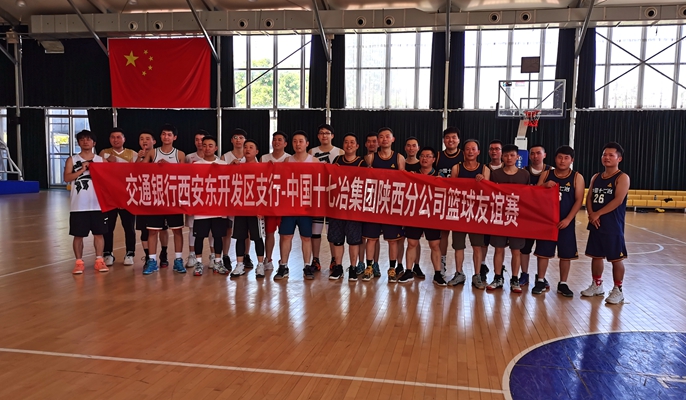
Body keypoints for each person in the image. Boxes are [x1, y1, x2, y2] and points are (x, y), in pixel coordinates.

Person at [581, 142, 630, 304]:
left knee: (616, 258)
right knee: (596, 256)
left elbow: (618, 200)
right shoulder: (596, 177)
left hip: (613, 224)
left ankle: (618, 289)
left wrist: (598, 213)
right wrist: (591, 214)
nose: (606, 157)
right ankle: (597, 285)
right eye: (604, 155)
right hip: (596, 222)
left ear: (619, 158)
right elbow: (589, 197)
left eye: (611, 155)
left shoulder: (622, 177)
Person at [533, 145, 585, 296]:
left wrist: (568, 219)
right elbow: (535, 193)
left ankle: (563, 283)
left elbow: (579, 200)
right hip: (547, 221)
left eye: (566, 158)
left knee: (566, 254)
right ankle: (540, 280)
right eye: (560, 157)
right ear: (555, 158)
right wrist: (544, 185)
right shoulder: (546, 174)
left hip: (565, 222)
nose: (562, 161)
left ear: (571, 160)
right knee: (543, 252)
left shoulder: (577, 177)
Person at [141, 124, 186, 275]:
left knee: (177, 230)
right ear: (160, 136)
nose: (166, 137)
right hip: (156, 198)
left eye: (169, 134)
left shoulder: (180, 154)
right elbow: (140, 171)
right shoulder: (153, 152)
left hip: (173, 198)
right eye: (164, 134)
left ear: (175, 137)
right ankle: (152, 261)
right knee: (153, 231)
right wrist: (142, 157)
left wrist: (169, 167)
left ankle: (178, 260)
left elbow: (184, 175)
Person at [274, 131, 320, 281]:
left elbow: (319, 183)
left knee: (306, 237)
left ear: (307, 143)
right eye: (295, 141)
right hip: (290, 205)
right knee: (286, 236)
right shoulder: (287, 160)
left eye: (301, 141)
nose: (298, 144)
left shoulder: (314, 161)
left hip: (306, 206)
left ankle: (307, 266)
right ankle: (283, 265)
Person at [363, 127, 406, 283]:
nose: (384, 139)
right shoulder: (370, 158)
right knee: (371, 239)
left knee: (392, 240)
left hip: (391, 206)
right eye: (381, 137)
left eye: (387, 136)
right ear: (378, 141)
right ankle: (369, 267)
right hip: (374, 205)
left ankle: (392, 269)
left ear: (393, 139)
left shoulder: (399, 158)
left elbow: (403, 181)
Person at [485, 144, 530, 293]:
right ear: (502, 157)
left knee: (516, 251)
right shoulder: (496, 174)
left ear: (518, 157)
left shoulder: (524, 175)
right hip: (500, 217)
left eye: (512, 155)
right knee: (499, 249)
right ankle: (498, 277)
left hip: (517, 218)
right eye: (506, 155)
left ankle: (515, 278)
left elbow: (529, 196)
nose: (509, 158)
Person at [64, 129, 108, 274]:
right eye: (82, 139)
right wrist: (82, 170)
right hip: (78, 205)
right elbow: (67, 178)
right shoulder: (72, 160)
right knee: (78, 235)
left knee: (99, 234)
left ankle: (99, 260)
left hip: (97, 204)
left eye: (88, 139)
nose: (85, 142)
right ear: (78, 142)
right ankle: (79, 262)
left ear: (94, 143)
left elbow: (108, 180)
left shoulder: (101, 160)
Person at [401, 147, 447, 286]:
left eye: (428, 156)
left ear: (433, 159)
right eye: (422, 156)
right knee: (412, 243)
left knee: (434, 245)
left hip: (432, 215)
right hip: (415, 214)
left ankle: (438, 274)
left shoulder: (440, 176)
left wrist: (442, 183)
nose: (424, 158)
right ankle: (408, 271)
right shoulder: (412, 174)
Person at [448, 139, 490, 289]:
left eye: (473, 149)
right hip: (459, 212)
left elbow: (488, 192)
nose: (470, 151)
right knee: (458, 246)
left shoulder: (484, 169)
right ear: (463, 151)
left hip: (477, 214)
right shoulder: (456, 168)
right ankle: (459, 273)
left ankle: (477, 275)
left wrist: (483, 182)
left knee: (477, 246)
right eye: (467, 149)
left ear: (478, 152)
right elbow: (451, 188)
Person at [328, 133, 368, 281]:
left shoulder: (362, 163)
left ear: (357, 146)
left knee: (353, 240)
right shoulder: (337, 160)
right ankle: (338, 267)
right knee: (337, 240)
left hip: (353, 208)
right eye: (346, 142)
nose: (349, 145)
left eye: (352, 142)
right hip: (337, 208)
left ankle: (353, 267)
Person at [190, 136, 229, 276]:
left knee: (218, 236)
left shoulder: (223, 165)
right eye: (205, 145)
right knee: (200, 236)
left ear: (216, 148)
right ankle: (198, 263)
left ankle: (218, 262)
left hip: (218, 207)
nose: (207, 148)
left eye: (210, 145)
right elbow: (192, 185)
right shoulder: (196, 165)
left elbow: (228, 184)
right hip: (201, 207)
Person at [98, 127, 137, 266]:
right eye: (113, 137)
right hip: (110, 196)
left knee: (129, 227)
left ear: (124, 139)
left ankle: (130, 253)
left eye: (118, 137)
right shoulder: (104, 153)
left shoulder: (133, 153)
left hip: (127, 196)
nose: (115, 140)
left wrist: (117, 163)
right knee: (108, 227)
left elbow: (134, 172)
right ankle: (108, 253)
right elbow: (101, 172)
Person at [309, 124, 344, 272]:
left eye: (327, 133)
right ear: (318, 136)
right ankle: (315, 259)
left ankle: (334, 259)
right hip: (317, 195)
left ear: (332, 136)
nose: (324, 135)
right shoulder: (312, 152)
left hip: (333, 196)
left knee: (332, 230)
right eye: (321, 133)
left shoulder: (340, 152)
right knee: (315, 230)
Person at [231, 139, 267, 278]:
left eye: (251, 147)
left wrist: (262, 208)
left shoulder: (262, 168)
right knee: (240, 237)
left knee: (257, 238)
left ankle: (260, 265)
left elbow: (266, 189)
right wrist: (231, 166)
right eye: (245, 147)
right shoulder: (237, 166)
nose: (247, 149)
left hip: (256, 209)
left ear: (257, 151)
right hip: (241, 208)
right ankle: (239, 265)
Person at [519, 145, 552, 286]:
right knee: (524, 248)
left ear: (544, 155)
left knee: (542, 250)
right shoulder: (523, 171)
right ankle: (524, 274)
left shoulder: (551, 171)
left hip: (544, 217)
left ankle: (541, 277)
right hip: (527, 216)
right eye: (532, 153)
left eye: (538, 153)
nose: (535, 156)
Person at [134, 130, 169, 265]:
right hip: (143, 198)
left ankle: (164, 253)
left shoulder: (160, 154)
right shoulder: (136, 156)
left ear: (154, 141)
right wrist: (139, 159)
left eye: (147, 138)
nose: (144, 141)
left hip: (160, 197)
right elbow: (132, 174)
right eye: (141, 138)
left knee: (163, 228)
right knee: (145, 230)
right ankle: (149, 257)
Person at [221, 128, 252, 270]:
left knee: (246, 230)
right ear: (231, 140)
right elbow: (220, 177)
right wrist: (230, 167)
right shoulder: (225, 157)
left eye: (241, 137)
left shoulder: (250, 157)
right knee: (227, 229)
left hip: (245, 198)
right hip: (230, 198)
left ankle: (246, 255)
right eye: (235, 137)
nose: (238, 140)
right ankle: (225, 256)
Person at [435, 127, 465, 276]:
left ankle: (460, 269)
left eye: (454, 137)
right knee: (443, 234)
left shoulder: (465, 155)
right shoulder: (438, 156)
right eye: (447, 137)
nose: (450, 140)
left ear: (458, 140)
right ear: (443, 140)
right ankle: (442, 263)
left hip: (461, 201)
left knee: (460, 236)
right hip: (443, 201)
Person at [261, 131, 291, 270]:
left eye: (280, 140)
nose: (276, 142)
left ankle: (283, 261)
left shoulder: (289, 159)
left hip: (284, 202)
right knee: (269, 233)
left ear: (285, 143)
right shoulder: (264, 158)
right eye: (274, 139)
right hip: (269, 202)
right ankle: (268, 259)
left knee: (284, 234)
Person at [185, 129, 215, 268]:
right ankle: (192, 255)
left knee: (212, 229)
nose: (200, 143)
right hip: (195, 198)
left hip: (211, 199)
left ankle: (213, 255)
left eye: (202, 140)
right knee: (193, 228)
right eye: (197, 140)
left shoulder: (217, 160)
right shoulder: (189, 158)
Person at [479, 139, 504, 282]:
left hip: (502, 211)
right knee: (484, 241)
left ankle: (499, 270)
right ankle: (482, 265)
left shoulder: (509, 168)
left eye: (497, 149)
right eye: (492, 149)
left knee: (500, 244)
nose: (494, 151)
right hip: (486, 211)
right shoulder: (483, 169)